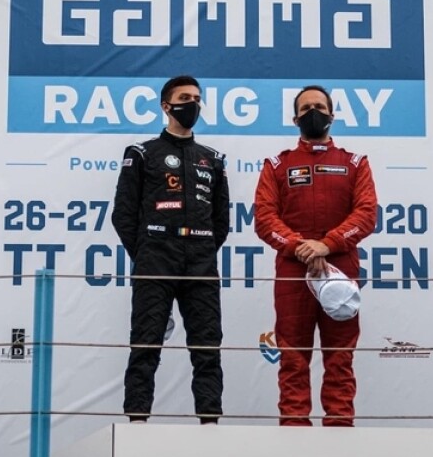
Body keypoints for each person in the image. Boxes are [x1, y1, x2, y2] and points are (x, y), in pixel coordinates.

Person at [254, 86, 377, 426]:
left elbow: (367, 214)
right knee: (293, 360)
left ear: (332, 115)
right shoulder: (278, 165)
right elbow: (264, 219)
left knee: (340, 359)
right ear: (295, 119)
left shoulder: (354, 164)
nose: (313, 112)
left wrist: (327, 244)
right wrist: (299, 247)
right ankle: (295, 435)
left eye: (319, 106)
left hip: (341, 268)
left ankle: (339, 432)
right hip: (293, 271)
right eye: (306, 108)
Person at [113, 75, 230, 424]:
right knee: (145, 344)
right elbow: (123, 215)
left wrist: (199, 245)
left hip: (201, 261)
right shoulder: (142, 153)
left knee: (207, 348)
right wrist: (147, 252)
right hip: (155, 258)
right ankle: (137, 422)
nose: (192, 104)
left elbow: (221, 222)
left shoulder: (212, 159)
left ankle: (210, 424)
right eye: (184, 98)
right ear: (166, 106)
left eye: (197, 98)